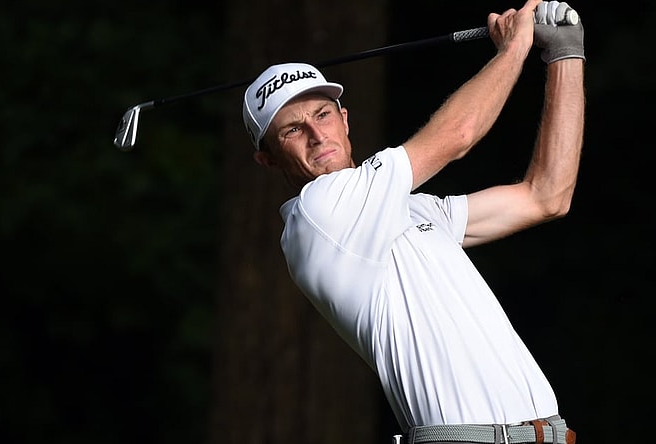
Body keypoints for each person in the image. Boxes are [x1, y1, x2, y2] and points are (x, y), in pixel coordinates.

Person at [241, 0, 584, 442]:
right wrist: (514, 47)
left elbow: (546, 196)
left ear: (344, 119)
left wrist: (564, 55)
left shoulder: (414, 209)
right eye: (292, 129)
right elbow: (458, 135)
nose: (316, 134)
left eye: (322, 114)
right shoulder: (318, 213)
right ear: (268, 159)